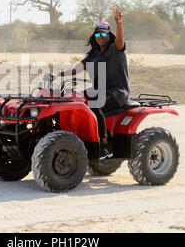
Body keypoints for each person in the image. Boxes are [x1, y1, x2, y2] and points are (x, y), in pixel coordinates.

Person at [50, 8, 130, 148]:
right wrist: (58, 74)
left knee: (93, 102)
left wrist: (119, 25)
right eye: (97, 33)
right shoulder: (94, 54)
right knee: (77, 98)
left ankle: (103, 141)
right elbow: (76, 69)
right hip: (99, 91)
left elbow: (120, 40)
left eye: (104, 33)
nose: (100, 36)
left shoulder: (115, 49)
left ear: (109, 34)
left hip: (117, 93)